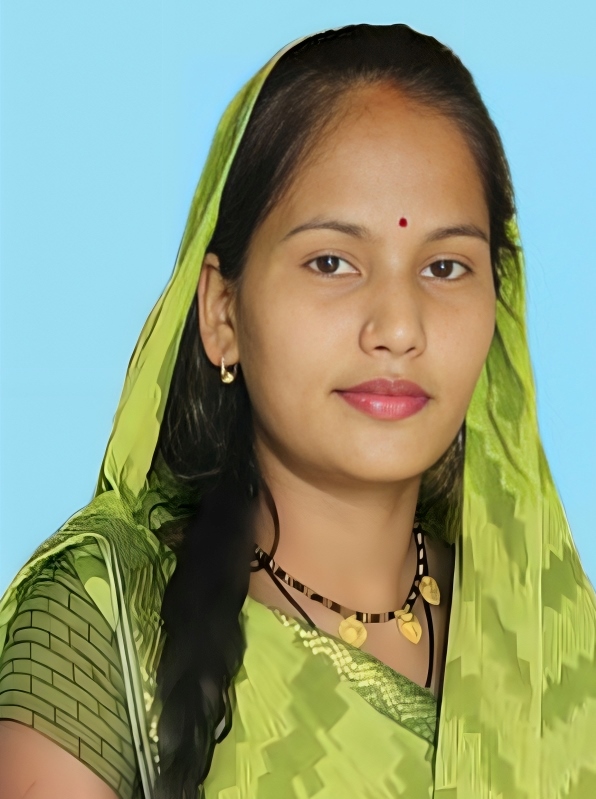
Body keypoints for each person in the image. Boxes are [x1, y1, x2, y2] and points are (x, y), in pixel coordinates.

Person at [0, 22, 595, 799]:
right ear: (222, 312)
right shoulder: (103, 621)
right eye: (332, 262)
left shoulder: (549, 649)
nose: (399, 328)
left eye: (445, 267)